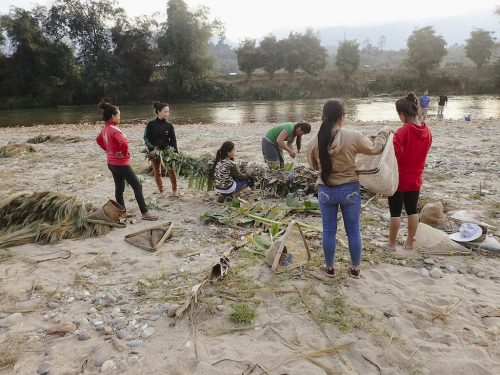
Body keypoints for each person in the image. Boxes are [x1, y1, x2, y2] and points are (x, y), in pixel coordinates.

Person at [307, 99, 391, 278]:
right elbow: (375, 148)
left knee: (328, 231)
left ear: (324, 117)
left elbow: (314, 166)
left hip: (326, 191)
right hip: (350, 191)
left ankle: (329, 268)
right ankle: (355, 269)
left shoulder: (314, 142)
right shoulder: (353, 136)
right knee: (353, 231)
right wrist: (383, 133)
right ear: (342, 118)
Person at [385, 93, 432, 251]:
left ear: (402, 114)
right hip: (416, 177)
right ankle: (409, 243)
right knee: (412, 210)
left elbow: (395, 156)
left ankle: (391, 244)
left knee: (395, 212)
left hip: (399, 178)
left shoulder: (403, 131)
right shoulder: (427, 131)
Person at [96, 101, 158, 221]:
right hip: (120, 164)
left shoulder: (105, 128)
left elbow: (98, 140)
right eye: (119, 115)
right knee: (137, 186)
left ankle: (122, 212)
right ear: (113, 116)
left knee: (119, 188)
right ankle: (145, 213)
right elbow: (124, 142)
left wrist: (108, 150)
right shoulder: (114, 129)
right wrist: (122, 153)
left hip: (111, 163)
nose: (120, 117)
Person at [144, 101, 179, 198]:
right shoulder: (151, 124)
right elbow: (146, 137)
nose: (167, 114)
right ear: (158, 111)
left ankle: (175, 190)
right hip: (154, 152)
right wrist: (151, 149)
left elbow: (173, 140)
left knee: (171, 171)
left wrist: (175, 153)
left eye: (168, 112)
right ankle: (161, 191)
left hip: (167, 152)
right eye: (165, 112)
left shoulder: (169, 125)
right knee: (157, 172)